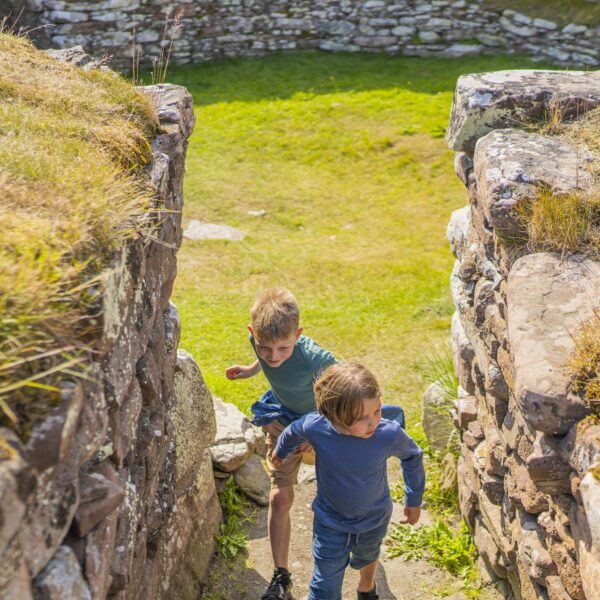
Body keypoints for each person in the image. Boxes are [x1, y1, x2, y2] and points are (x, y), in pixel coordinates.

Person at [226, 289, 405, 600]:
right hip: (283, 422)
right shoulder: (260, 343)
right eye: (264, 349)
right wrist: (251, 369)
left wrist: (319, 429)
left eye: (283, 348)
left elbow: (348, 394)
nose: (274, 357)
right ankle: (281, 577)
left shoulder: (317, 359)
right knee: (280, 497)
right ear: (252, 333)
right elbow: (265, 361)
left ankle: (364, 559)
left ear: (298, 334)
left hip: (322, 426)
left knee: (346, 491)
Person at [272, 363, 425, 600]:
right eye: (361, 418)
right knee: (324, 584)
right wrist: (280, 452)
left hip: (374, 519)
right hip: (330, 522)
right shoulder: (317, 427)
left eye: (377, 411)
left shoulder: (388, 434)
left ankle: (366, 587)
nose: (373, 422)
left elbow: (412, 456)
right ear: (333, 415)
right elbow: (294, 431)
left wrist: (413, 499)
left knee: (368, 555)